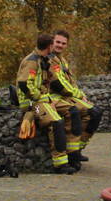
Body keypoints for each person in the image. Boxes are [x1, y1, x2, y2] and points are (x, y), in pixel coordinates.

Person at [16, 33, 75, 174]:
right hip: (32, 105)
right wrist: (39, 97)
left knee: (72, 111)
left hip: (41, 101)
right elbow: (24, 83)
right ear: (49, 46)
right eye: (53, 45)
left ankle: (73, 155)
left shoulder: (42, 60)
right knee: (56, 122)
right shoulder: (32, 61)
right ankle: (60, 164)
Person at [48, 29, 102, 169]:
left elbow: (71, 82)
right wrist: (78, 95)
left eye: (63, 43)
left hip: (67, 96)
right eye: (58, 42)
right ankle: (72, 154)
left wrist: (81, 95)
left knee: (95, 113)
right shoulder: (49, 59)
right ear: (52, 42)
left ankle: (78, 149)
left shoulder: (62, 60)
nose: (60, 45)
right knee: (74, 113)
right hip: (55, 98)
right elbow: (58, 83)